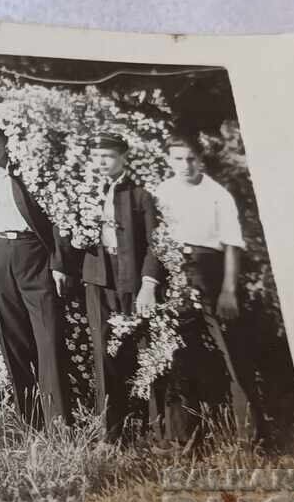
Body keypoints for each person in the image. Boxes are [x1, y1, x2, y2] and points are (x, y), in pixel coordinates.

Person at [0, 117, 77, 428]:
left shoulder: (30, 172)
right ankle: (30, 421)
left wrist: (59, 263)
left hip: (34, 254)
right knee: (12, 341)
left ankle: (59, 421)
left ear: (6, 139)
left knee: (48, 337)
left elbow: (58, 219)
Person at [152, 134, 253, 446]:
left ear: (202, 159)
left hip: (209, 270)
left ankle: (250, 437)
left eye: (191, 158)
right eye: (179, 159)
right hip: (174, 272)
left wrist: (228, 291)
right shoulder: (162, 191)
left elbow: (233, 245)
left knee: (230, 351)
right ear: (169, 160)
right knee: (179, 352)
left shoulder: (217, 194)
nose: (185, 165)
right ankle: (182, 439)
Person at [78, 131, 166, 445]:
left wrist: (149, 284)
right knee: (104, 355)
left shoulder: (140, 193)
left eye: (109, 156)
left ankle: (159, 433)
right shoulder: (83, 192)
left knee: (148, 352)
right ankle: (111, 435)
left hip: (133, 275)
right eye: (97, 156)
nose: (102, 162)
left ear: (123, 157)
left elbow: (157, 242)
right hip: (100, 278)